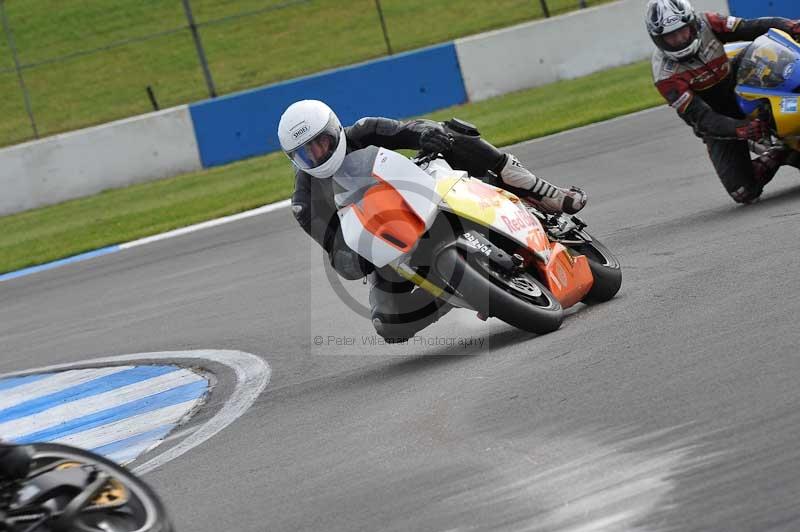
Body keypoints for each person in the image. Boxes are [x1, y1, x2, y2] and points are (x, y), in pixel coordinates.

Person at [280, 100, 587, 342]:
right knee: (389, 325)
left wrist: (426, 134)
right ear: (295, 159)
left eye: (322, 143)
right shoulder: (304, 202)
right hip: (385, 241)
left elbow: (406, 130)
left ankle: (543, 191)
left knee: (454, 134)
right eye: (307, 154)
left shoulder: (362, 130)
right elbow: (335, 248)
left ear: (335, 130)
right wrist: (353, 260)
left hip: (418, 187)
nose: (318, 154)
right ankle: (455, 294)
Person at [647, 0, 800, 203]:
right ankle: (780, 151)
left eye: (682, 31)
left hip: (736, 78)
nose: (679, 39)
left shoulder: (708, 22)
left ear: (692, 24)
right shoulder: (665, 76)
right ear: (658, 39)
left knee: (768, 54)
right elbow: (701, 118)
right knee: (743, 192)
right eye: (670, 37)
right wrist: (740, 129)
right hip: (717, 116)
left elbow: (750, 27)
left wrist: (789, 26)